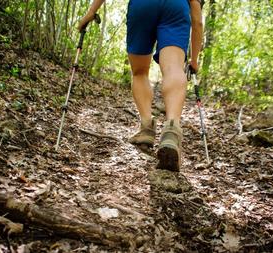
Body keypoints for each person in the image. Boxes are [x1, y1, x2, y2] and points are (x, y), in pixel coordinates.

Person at [79, 0, 203, 171]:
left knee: (139, 72)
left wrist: (92, 11)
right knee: (174, 67)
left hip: (142, 5)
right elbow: (197, 20)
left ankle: (146, 127)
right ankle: (172, 129)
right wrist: (194, 60)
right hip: (176, 7)